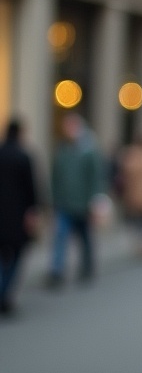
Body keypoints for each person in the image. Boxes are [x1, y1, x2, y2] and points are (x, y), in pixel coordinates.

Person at [48, 112, 105, 286]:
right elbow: (55, 177)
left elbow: (96, 178)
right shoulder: (62, 150)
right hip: (64, 203)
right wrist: (53, 199)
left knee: (85, 237)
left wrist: (95, 201)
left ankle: (87, 266)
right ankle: (56, 271)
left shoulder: (89, 151)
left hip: (83, 204)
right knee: (60, 236)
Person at [0, 119, 40, 314]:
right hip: (16, 217)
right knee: (15, 257)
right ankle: (4, 294)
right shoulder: (23, 157)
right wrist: (33, 211)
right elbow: (31, 189)